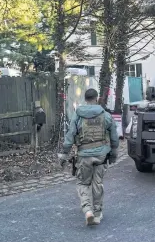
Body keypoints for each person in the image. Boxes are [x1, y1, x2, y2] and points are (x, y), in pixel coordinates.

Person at [58, 88, 119, 226]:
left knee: (83, 183)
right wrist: (114, 153)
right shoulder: (105, 115)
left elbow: (70, 136)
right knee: (97, 183)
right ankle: (97, 214)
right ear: (96, 98)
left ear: (85, 99)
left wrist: (64, 154)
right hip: (101, 155)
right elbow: (114, 136)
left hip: (84, 155)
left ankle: (88, 211)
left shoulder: (78, 115)